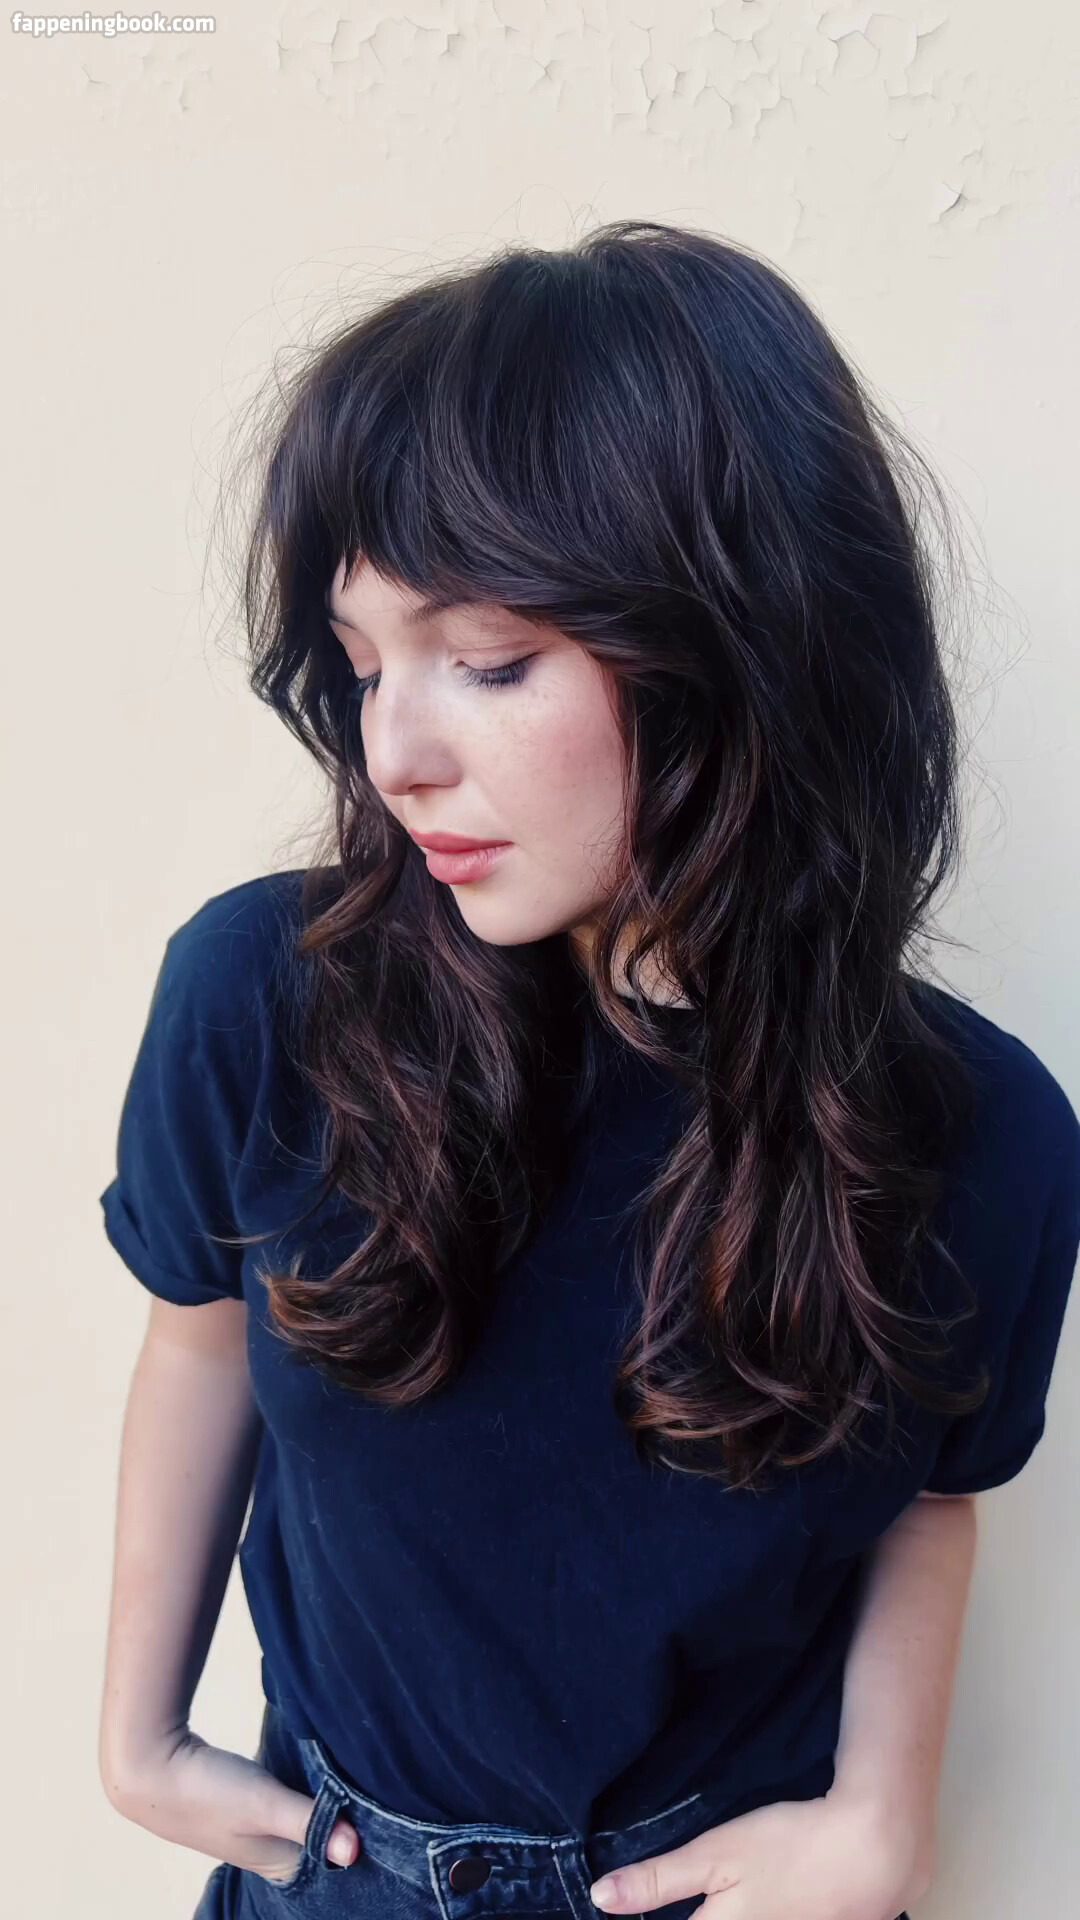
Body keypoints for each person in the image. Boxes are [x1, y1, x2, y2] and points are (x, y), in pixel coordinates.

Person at [96, 221, 1080, 1920]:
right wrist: (136, 1739)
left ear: (740, 644)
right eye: (362, 664)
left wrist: (878, 1821)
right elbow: (198, 1337)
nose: (394, 752)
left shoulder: (979, 1133)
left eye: (486, 660)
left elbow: (930, 1496)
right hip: (349, 1880)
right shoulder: (264, 999)